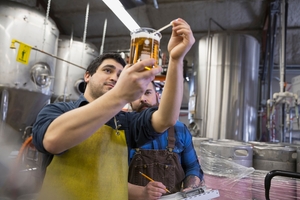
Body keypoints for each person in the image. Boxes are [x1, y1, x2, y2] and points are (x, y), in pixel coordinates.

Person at [32, 18, 195, 200]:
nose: (114, 78)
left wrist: (176, 59)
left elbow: (166, 119)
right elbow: (53, 141)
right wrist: (120, 95)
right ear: (87, 76)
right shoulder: (56, 111)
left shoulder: (124, 121)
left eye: (119, 74)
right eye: (107, 70)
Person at [127, 81, 204, 200]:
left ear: (157, 96)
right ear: (129, 100)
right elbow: (112, 180)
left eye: (147, 93)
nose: (143, 99)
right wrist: (141, 193)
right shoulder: (122, 132)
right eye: (137, 94)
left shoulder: (179, 130)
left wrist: (191, 187)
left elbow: (192, 166)